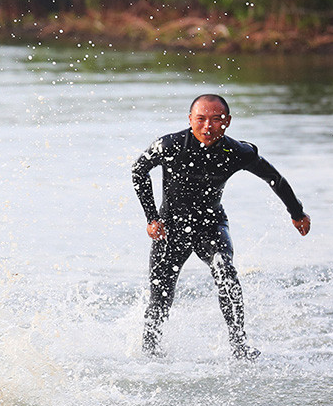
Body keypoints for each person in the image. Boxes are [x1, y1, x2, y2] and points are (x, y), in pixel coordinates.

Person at [132, 94, 311, 359]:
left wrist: (296, 212)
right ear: (190, 120)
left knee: (225, 272)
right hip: (170, 228)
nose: (208, 126)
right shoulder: (169, 145)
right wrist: (151, 219)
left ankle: (239, 346)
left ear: (227, 122)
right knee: (161, 296)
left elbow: (274, 178)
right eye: (201, 119)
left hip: (210, 225)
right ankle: (150, 352)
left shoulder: (237, 151)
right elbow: (139, 170)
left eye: (216, 120)